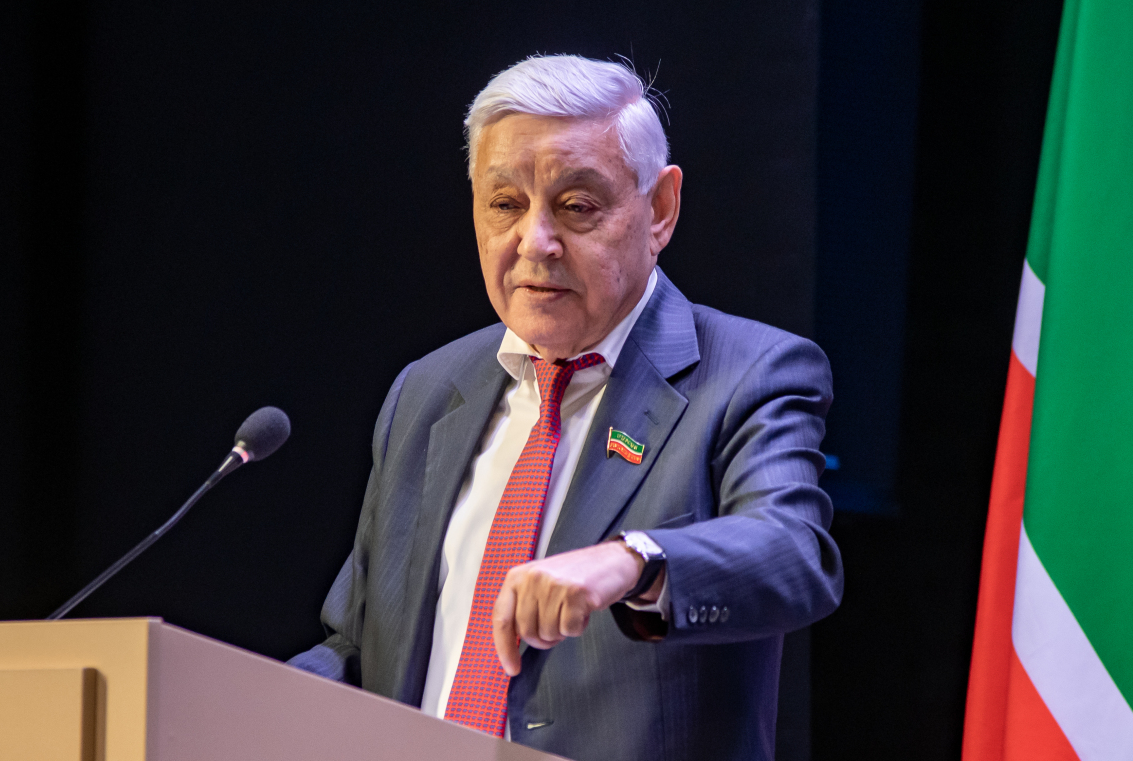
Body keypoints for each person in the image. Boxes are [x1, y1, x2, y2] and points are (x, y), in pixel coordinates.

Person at [290, 55, 843, 761]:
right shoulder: (427, 391)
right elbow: (358, 649)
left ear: (660, 210)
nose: (535, 242)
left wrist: (634, 561)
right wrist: (222, 700)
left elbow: (794, 552)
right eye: (505, 205)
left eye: (577, 207)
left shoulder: (749, 374)